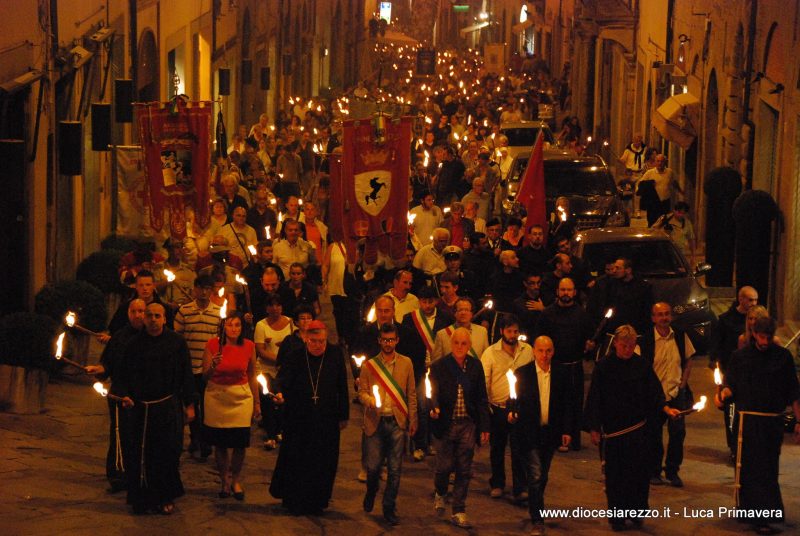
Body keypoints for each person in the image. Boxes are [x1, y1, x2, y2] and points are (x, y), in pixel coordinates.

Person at [583, 325, 680, 531]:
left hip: (638, 430)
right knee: (616, 475)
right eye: (624, 345)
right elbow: (595, 399)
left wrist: (666, 408)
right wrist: (594, 427)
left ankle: (636, 513)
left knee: (638, 473)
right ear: (616, 343)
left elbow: (654, 393)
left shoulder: (642, 366)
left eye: (631, 345)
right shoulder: (603, 367)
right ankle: (618, 517)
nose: (628, 349)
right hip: (613, 431)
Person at [717, 316, 800, 535]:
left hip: (772, 422)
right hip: (748, 421)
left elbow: (793, 391)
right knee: (749, 469)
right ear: (754, 334)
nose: (764, 342)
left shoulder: (783, 357)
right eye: (761, 337)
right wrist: (723, 394)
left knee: (767, 469)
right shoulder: (740, 357)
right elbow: (731, 385)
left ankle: (766, 515)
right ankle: (750, 513)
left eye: (768, 337)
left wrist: (799, 420)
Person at [114, 303, 197, 515]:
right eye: (149, 315)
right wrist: (124, 396)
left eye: (157, 316)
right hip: (142, 409)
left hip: (168, 407)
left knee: (167, 453)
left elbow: (186, 374)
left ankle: (164, 496)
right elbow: (123, 375)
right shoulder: (134, 345)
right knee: (142, 454)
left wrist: (189, 404)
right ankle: (142, 498)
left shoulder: (176, 343)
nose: (152, 319)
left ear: (164, 319)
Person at [269, 320, 350, 515]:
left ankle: (318, 501)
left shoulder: (335, 354)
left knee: (323, 461)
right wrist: (279, 393)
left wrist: (344, 414)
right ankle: (294, 500)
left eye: (322, 341)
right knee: (298, 459)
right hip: (299, 418)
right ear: (306, 338)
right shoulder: (296, 356)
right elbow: (281, 381)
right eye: (313, 341)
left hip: (327, 418)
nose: (318, 345)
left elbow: (342, 386)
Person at [509, 336, 573, 536]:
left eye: (548, 351)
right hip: (529, 432)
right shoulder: (523, 373)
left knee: (542, 475)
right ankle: (537, 519)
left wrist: (567, 430)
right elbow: (513, 399)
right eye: (540, 351)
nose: (544, 355)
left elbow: (567, 405)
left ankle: (536, 503)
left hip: (550, 432)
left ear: (552, 352)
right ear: (534, 351)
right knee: (536, 475)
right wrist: (511, 413)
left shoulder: (561, 373)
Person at [428, 328, 491, 529]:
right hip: (446, 423)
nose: (460, 347)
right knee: (444, 466)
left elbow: (482, 397)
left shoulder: (475, 366)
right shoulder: (439, 366)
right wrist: (433, 408)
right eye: (457, 343)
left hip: (467, 424)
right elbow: (431, 393)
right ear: (451, 344)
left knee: (464, 468)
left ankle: (459, 509)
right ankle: (440, 491)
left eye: (464, 344)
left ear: (470, 346)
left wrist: (484, 426)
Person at [358, 323, 418, 525]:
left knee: (395, 469)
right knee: (373, 467)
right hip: (375, 422)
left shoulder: (407, 363)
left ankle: (389, 506)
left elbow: (411, 394)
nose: (388, 343)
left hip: (397, 421)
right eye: (385, 340)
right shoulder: (369, 365)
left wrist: (413, 419)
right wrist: (369, 400)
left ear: (397, 340)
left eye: (391, 339)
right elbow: (362, 392)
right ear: (379, 341)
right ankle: (371, 490)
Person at [85, 299, 147, 492]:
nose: (138, 315)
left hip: (146, 395)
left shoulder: (153, 337)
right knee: (120, 435)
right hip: (121, 393)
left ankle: (143, 473)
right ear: (128, 313)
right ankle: (119, 476)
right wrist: (99, 369)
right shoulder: (119, 337)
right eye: (134, 311)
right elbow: (108, 364)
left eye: (142, 311)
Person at [201, 312, 260, 501]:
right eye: (230, 325)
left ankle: (235, 479)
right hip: (217, 395)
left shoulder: (249, 346)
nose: (233, 329)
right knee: (220, 442)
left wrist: (257, 402)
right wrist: (213, 366)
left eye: (237, 325)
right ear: (223, 327)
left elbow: (252, 375)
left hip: (240, 397)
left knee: (239, 442)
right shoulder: (212, 345)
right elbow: (204, 376)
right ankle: (224, 479)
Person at [535, 278, 595, 451]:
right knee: (554, 402)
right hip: (553, 366)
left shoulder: (582, 315)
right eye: (562, 290)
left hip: (574, 366)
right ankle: (554, 438)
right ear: (557, 291)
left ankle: (572, 439)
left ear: (574, 292)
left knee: (574, 403)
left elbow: (590, 340)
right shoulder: (547, 314)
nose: (566, 293)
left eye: (569, 290)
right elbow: (539, 338)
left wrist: (590, 346)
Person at [640, 302, 696, 487]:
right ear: (653, 318)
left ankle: (672, 471)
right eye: (660, 315)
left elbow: (689, 359)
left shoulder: (679, 336)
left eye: (667, 314)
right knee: (653, 435)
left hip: (676, 394)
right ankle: (653, 471)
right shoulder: (646, 340)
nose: (664, 318)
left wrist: (683, 383)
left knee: (678, 434)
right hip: (655, 397)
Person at [480, 314, 533, 502]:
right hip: (499, 408)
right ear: (502, 331)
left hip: (520, 409)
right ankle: (497, 483)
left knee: (519, 449)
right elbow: (484, 379)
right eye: (509, 331)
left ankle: (520, 487)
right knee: (497, 448)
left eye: (515, 331)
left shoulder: (527, 350)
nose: (512, 335)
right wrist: (486, 406)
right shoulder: (490, 353)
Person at [401, 285, 454, 461]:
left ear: (436, 302)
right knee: (421, 407)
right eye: (423, 302)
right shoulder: (410, 319)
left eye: (430, 302)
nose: (427, 305)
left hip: (439, 369)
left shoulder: (446, 318)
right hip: (418, 369)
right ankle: (420, 444)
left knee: (437, 405)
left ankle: (435, 440)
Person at [174, 275, 222, 461]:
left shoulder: (218, 313)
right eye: (200, 288)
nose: (203, 292)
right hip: (189, 368)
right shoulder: (184, 311)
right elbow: (177, 338)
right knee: (193, 406)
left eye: (207, 288)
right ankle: (196, 439)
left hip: (208, 370)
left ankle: (206, 440)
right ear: (194, 289)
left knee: (208, 407)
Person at [709, 285, 758, 460]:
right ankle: (732, 446)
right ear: (741, 299)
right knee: (730, 411)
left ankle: (744, 446)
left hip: (747, 376)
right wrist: (716, 368)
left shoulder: (758, 322)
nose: (753, 303)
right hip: (729, 371)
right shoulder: (725, 320)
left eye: (756, 300)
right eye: (750, 299)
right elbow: (717, 345)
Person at [253, 293, 294, 449]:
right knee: (268, 402)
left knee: (282, 400)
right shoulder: (261, 325)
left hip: (284, 370)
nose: (275, 308)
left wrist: (286, 363)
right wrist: (279, 360)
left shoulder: (291, 324)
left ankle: (280, 430)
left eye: (278, 305)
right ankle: (270, 434)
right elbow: (261, 350)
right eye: (271, 305)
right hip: (266, 369)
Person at [432, 297, 489, 362]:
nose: (463, 313)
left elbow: (486, 359)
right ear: (455, 313)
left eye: (467, 310)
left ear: (471, 313)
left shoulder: (482, 332)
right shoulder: (442, 334)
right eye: (460, 310)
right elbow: (436, 363)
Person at [638, 154, 683, 226]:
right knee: (652, 222)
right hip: (653, 202)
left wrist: (681, 191)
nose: (660, 163)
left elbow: (674, 182)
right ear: (655, 162)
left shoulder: (669, 172)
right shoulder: (650, 173)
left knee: (664, 223)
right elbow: (641, 184)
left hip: (665, 202)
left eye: (662, 161)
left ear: (665, 162)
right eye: (658, 161)